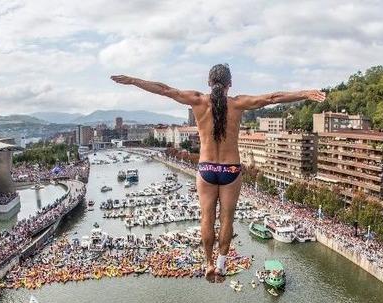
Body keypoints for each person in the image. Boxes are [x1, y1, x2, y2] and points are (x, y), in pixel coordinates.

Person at [112, 64, 325, 282]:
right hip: (230, 169)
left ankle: (209, 264)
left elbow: (164, 90)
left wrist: (134, 80)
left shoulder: (197, 100)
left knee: (207, 217)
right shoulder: (238, 103)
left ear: (208, 82)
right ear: (229, 84)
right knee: (226, 220)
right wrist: (304, 93)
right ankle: (221, 265)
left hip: (206, 168)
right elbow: (272, 98)